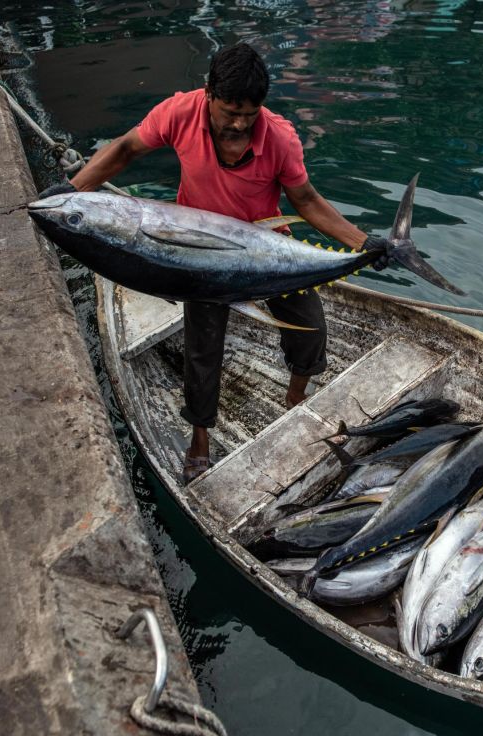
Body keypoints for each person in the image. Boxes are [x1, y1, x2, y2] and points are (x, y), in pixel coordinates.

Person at [40, 42, 392, 483]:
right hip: (194, 259)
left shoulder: (279, 137)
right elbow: (126, 150)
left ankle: (296, 398)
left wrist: (365, 243)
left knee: (311, 328)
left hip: (267, 250)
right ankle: (200, 436)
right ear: (208, 93)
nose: (240, 123)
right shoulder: (179, 113)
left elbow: (306, 201)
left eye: (250, 113)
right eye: (230, 111)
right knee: (202, 353)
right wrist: (71, 190)